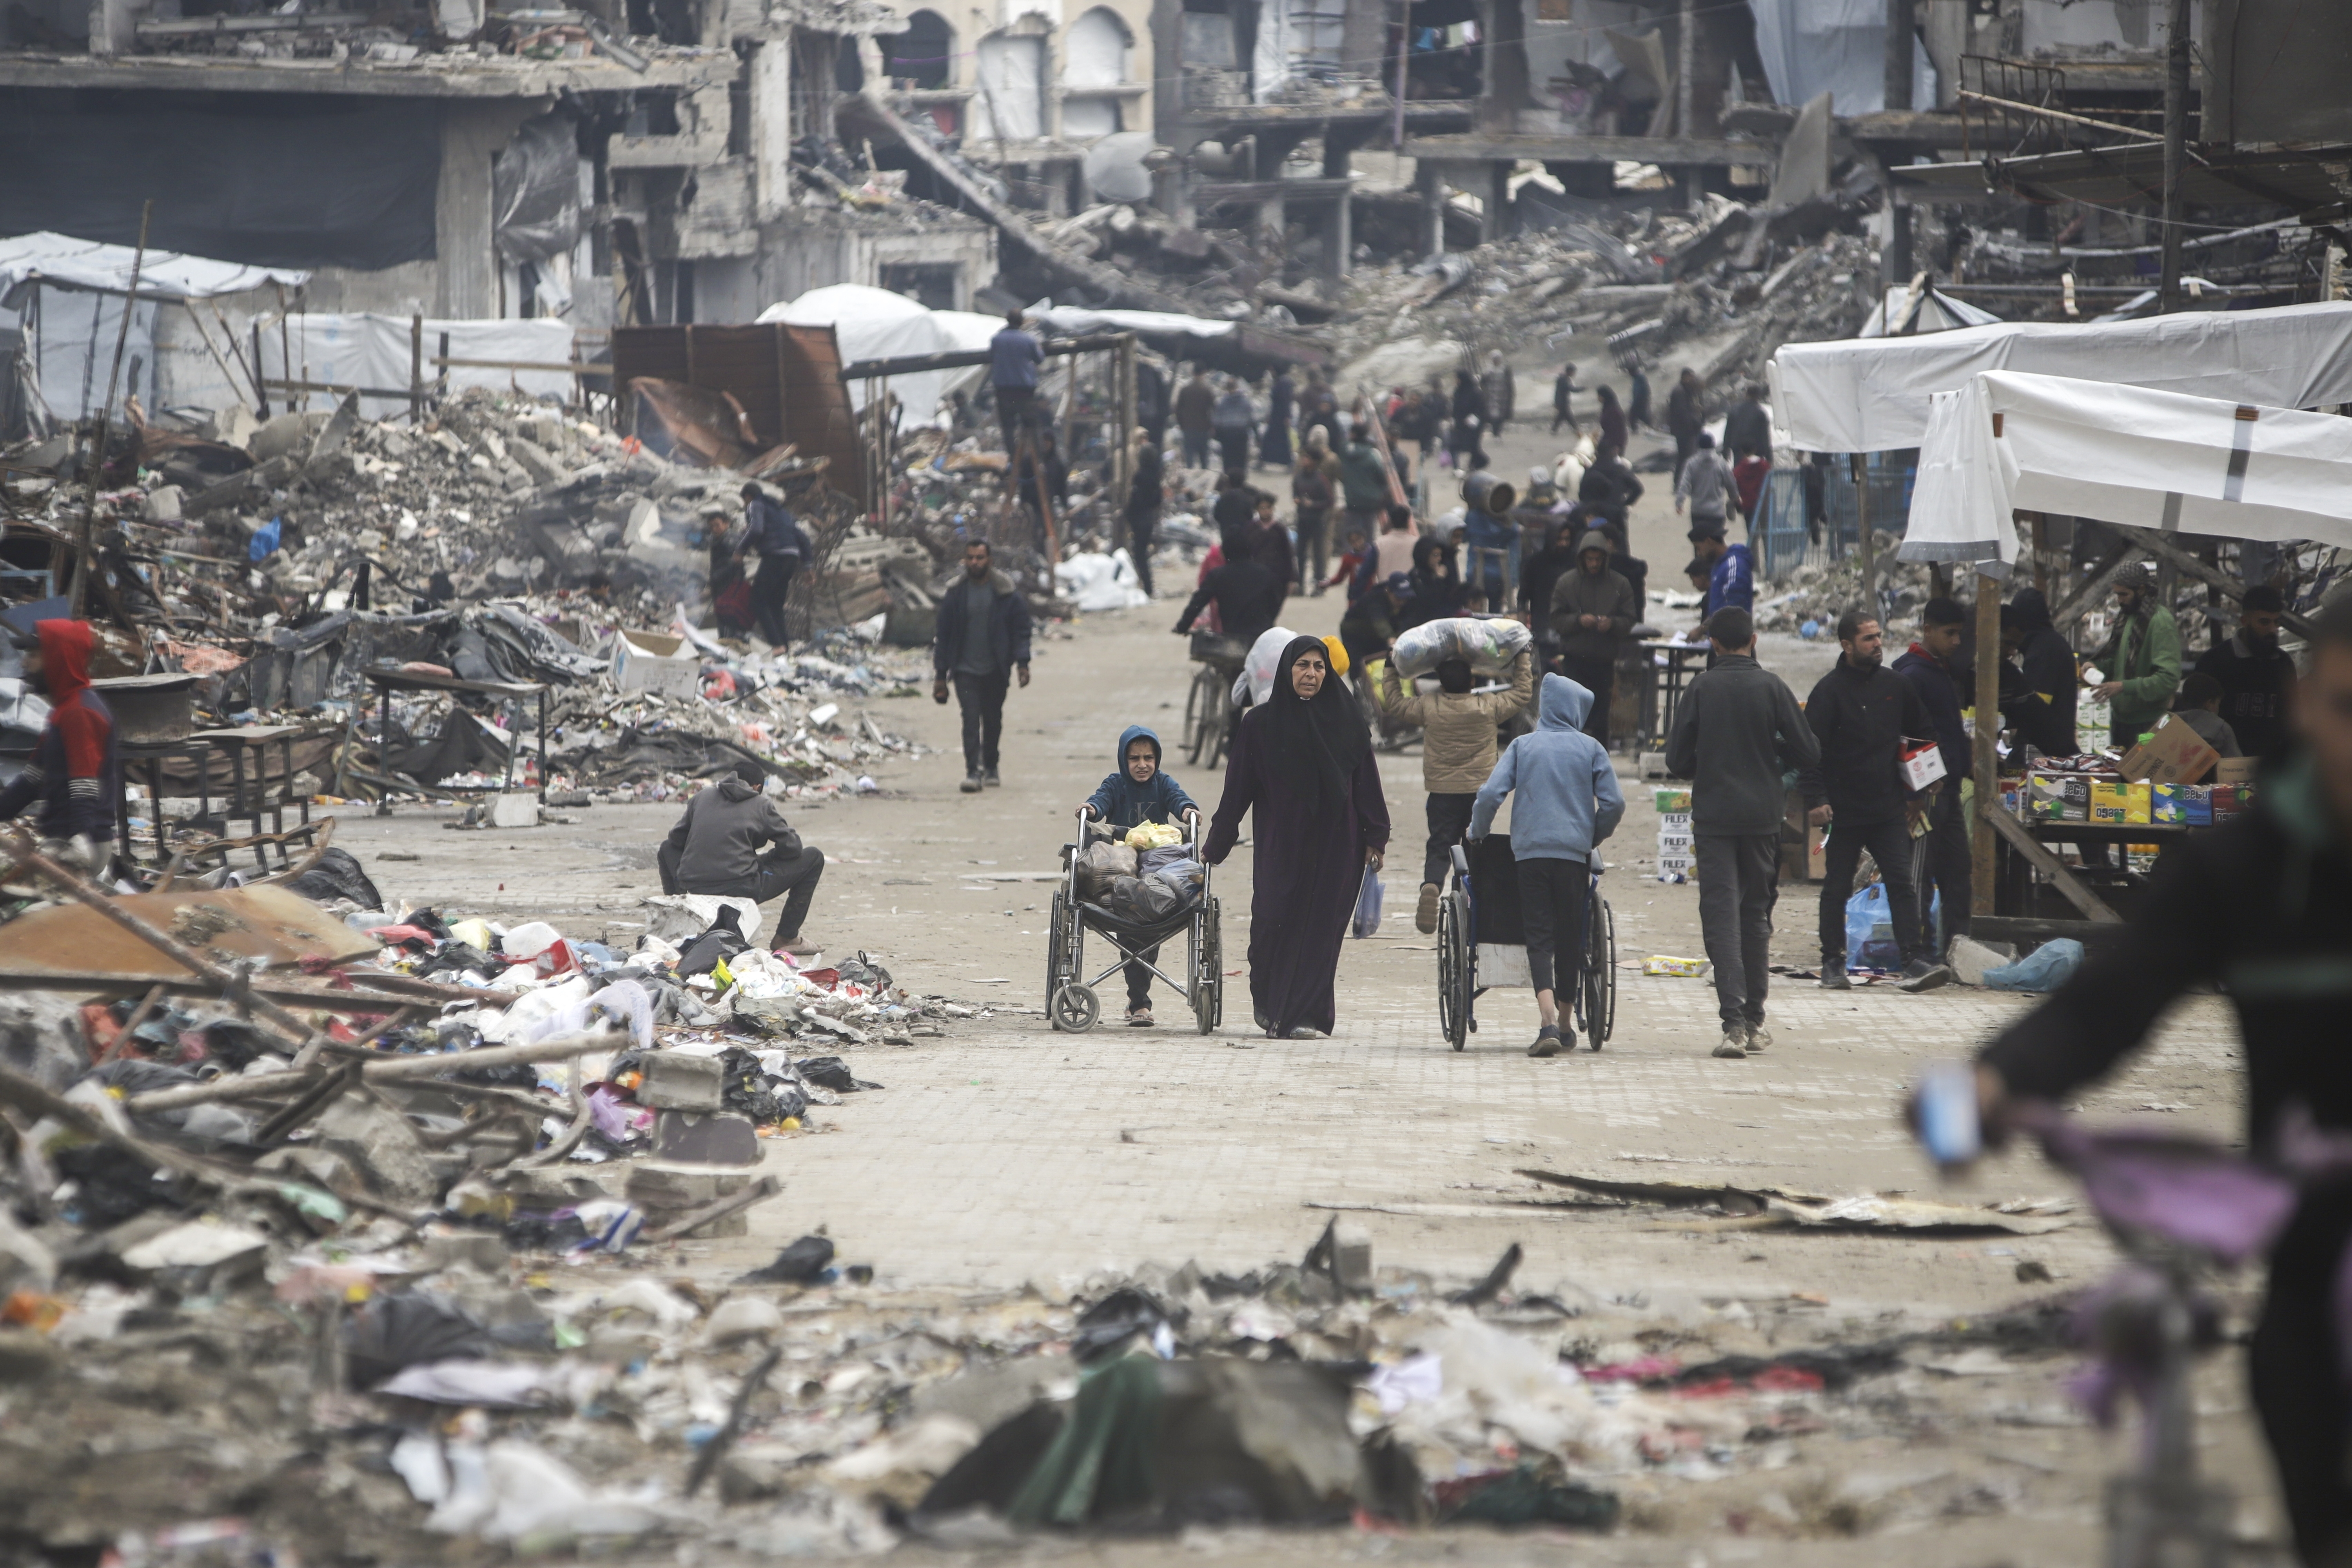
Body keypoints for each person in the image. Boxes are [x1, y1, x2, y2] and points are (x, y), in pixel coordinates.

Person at [1965, 595, 2352, 1568]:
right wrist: (1997, 1078)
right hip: (2310, 1280)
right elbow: (2110, 1000)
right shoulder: (2242, 869)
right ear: (2309, 705)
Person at [1204, 635, 1391, 1038]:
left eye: (1319, 667)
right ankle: (1269, 1002)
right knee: (1272, 921)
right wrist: (1215, 847)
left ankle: (1305, 1014)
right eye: (1303, 665)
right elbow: (1237, 790)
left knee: (1322, 930)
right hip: (1281, 844)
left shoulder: (1347, 722)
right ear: (1288, 671)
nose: (1311, 673)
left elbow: (1367, 784)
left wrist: (1376, 835)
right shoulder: (1259, 725)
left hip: (1338, 845)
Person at [1664, 608, 1820, 1058]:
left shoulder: (1701, 687)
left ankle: (1732, 1023)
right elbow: (1809, 751)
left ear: (1712, 643)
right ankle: (1754, 1020)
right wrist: (1771, 751)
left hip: (1715, 817)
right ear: (1754, 639)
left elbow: (1677, 760)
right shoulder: (1773, 687)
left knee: (1721, 916)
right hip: (1762, 818)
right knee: (1755, 914)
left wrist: (1710, 763)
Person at [1469, 673, 1626, 1056]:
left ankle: (1547, 1022)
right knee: (1570, 934)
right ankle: (1568, 1023)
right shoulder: (1591, 749)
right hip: (1573, 856)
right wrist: (1593, 836)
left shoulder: (1524, 746)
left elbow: (1491, 793)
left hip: (1530, 855)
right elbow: (1615, 804)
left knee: (1538, 934)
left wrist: (1478, 831)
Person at [1800, 608, 1945, 989]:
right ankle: (1833, 962)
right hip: (1843, 811)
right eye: (1868, 638)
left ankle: (1912, 959)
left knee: (1901, 882)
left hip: (1887, 809)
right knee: (1837, 885)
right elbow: (1809, 752)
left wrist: (1924, 783)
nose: (1878, 643)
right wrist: (1816, 799)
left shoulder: (1897, 686)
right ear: (1847, 645)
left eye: (1879, 636)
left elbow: (1923, 734)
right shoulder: (1828, 692)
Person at [1378, 648, 1534, 933]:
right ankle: (1476, 901)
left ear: (1440, 682)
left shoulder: (1429, 706)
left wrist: (1390, 669)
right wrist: (1523, 659)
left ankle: (1431, 884)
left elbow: (1395, 703)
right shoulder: (1489, 706)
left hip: (1442, 792)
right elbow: (1523, 693)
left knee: (1440, 843)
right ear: (1472, 683)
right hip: (1480, 793)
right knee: (1475, 844)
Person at [1082, 726, 1201, 1027]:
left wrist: (1188, 811)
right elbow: (1100, 802)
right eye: (1134, 758)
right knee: (1132, 935)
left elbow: (1179, 799)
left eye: (1149, 758)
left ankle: (1139, 1001)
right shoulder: (1116, 784)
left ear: (1157, 759)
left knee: (1149, 935)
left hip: (1154, 875)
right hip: (1119, 873)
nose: (1142, 764)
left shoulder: (1163, 783)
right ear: (1125, 760)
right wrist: (1092, 809)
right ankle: (1140, 1003)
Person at [658, 759, 825, 954]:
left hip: (693, 886)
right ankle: (786, 937)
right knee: (813, 857)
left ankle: (677, 911)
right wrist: (768, 855)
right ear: (757, 787)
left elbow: (675, 841)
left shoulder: (701, 797)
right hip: (740, 886)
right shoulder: (760, 804)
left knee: (665, 848)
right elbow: (793, 848)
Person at [0, 619, 118, 869]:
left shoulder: (80, 712)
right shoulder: (64, 710)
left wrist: (79, 838)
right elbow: (32, 780)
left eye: (33, 655)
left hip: (81, 844)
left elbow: (85, 785)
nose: (24, 663)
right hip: (62, 837)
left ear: (58, 658)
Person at [1893, 596, 1973, 961]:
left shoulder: (1939, 670)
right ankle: (1918, 952)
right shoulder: (1911, 675)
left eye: (1960, 634)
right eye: (1950, 633)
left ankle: (1957, 950)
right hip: (1926, 794)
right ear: (1927, 630)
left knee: (1958, 872)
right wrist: (1914, 791)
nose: (1957, 641)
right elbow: (1904, 739)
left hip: (1950, 790)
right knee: (1920, 874)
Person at [931, 539, 1033, 793]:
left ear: (989, 560)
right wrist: (940, 676)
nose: (975, 562)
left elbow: (1021, 630)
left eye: (980, 558)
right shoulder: (956, 594)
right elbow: (943, 636)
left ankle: (991, 765)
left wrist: (1023, 663)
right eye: (970, 558)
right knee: (969, 719)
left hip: (996, 669)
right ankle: (972, 772)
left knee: (992, 719)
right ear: (965, 560)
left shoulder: (1005, 594)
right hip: (965, 670)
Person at [1549, 530, 1637, 745]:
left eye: (1598, 559)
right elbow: (1556, 619)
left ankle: (1598, 763)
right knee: (1572, 715)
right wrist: (1579, 621)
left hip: (1604, 661)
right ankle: (1569, 756)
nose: (1594, 564)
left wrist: (1612, 624)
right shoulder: (1567, 583)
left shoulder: (1620, 584)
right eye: (1590, 559)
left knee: (1601, 719)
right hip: (1575, 660)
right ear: (1582, 558)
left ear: (1606, 559)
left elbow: (1630, 620)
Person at [2194, 583, 2295, 760]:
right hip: (2224, 766)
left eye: (2276, 622)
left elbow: (2291, 722)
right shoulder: (2213, 663)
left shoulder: (2283, 665)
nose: (2272, 630)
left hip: (2270, 769)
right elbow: (2198, 725)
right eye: (2264, 622)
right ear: (2245, 621)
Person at [2091, 562, 2181, 747]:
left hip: (2148, 727)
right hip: (2121, 723)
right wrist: (2095, 667)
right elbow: (2119, 663)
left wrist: (2124, 687)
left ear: (2141, 590)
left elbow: (2168, 680)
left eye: (2124, 594)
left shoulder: (2160, 622)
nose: (2119, 600)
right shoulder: (2129, 617)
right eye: (2117, 594)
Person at [1998, 587, 2078, 757]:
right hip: (2054, 741)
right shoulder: (2048, 643)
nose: (2012, 651)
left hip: (2046, 747)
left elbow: (2035, 708)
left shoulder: (2043, 651)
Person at [1175, 527, 1283, 650]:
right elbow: (1276, 602)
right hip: (1262, 637)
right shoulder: (1266, 574)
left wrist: (1183, 626)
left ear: (1225, 552)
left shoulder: (1217, 575)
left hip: (1231, 637)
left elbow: (1198, 601)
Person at [742, 482, 810, 649]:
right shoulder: (782, 512)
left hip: (775, 556)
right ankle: (784, 646)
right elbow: (803, 538)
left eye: (745, 501)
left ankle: (777, 645)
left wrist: (741, 550)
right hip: (791, 558)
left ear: (748, 497)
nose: (745, 505)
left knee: (758, 601)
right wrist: (809, 565)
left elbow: (756, 529)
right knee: (775, 604)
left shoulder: (755, 505)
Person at [1519, 518, 1584, 664]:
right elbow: (1523, 597)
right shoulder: (1535, 563)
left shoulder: (1577, 564)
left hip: (1570, 630)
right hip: (1542, 628)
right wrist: (1523, 630)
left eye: (1567, 539)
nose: (1563, 544)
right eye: (1559, 539)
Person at [989, 309, 1044, 453]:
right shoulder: (1028, 340)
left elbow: (992, 357)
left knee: (1008, 428)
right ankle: (1038, 457)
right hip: (1024, 390)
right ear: (1021, 322)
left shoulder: (997, 340)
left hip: (1003, 390)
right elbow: (1039, 359)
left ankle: (1012, 457)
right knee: (1031, 426)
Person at [1292, 426, 1336, 594]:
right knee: (1301, 554)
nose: (1304, 461)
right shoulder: (1299, 477)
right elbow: (1295, 490)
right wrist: (1297, 500)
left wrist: (1313, 505)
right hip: (1302, 519)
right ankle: (1300, 585)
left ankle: (1319, 585)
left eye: (1307, 458)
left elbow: (1329, 501)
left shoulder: (1321, 480)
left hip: (1317, 520)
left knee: (1318, 555)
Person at [1013, 427, 1069, 551]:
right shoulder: (1030, 460)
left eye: (1048, 441)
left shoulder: (1056, 462)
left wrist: (1065, 505)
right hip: (1032, 502)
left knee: (1047, 531)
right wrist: (1023, 500)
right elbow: (1023, 481)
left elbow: (1061, 485)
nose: (1046, 444)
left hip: (1048, 503)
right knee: (1031, 529)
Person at [702, 505, 754, 636]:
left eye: (717, 525)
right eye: (712, 527)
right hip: (720, 583)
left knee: (728, 615)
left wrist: (717, 577)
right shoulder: (718, 539)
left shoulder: (730, 541)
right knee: (722, 616)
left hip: (729, 584)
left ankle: (730, 643)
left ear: (726, 524)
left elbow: (735, 564)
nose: (715, 529)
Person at [1673, 432, 1739, 535]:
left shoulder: (1691, 463)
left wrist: (1679, 503)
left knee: (1700, 546)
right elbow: (1731, 483)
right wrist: (1735, 498)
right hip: (1717, 513)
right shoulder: (1721, 463)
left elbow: (1684, 484)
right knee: (1716, 545)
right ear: (1713, 445)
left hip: (1698, 512)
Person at [1337, 425, 1392, 544]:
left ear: (1353, 435)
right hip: (1371, 501)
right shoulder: (1373, 455)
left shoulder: (1344, 451)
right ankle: (1368, 557)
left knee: (1350, 534)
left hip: (1352, 500)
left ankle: (1351, 558)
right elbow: (1382, 477)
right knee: (1369, 534)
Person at [1688, 530, 1753, 629]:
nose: (1699, 553)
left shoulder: (1734, 565)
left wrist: (1703, 628)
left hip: (1732, 636)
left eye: (1699, 548)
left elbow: (1733, 606)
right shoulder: (1719, 566)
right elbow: (1718, 606)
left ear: (1709, 541)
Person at [1125, 428, 1163, 599]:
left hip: (1140, 520)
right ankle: (1147, 586)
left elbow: (1136, 500)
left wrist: (1129, 514)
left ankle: (1147, 587)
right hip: (1148, 519)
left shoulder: (1140, 476)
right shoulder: (1155, 476)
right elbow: (1157, 500)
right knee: (1142, 555)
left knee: (1139, 554)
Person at [1401, 535, 1467, 630]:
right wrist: (1438, 581)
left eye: (1440, 555)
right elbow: (1427, 600)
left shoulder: (1443, 573)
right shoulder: (1416, 577)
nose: (1439, 559)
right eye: (1435, 555)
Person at [2171, 671, 2243, 757]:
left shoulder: (2170, 723)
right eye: (2218, 703)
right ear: (2209, 704)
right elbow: (2236, 763)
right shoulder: (2222, 729)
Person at [1213, 378, 1256, 477]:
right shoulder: (1245, 402)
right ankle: (1241, 482)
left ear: (1227, 389)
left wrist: (1218, 436)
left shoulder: (1222, 403)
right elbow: (1252, 420)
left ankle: (1229, 481)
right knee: (1241, 461)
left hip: (1227, 436)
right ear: (1237, 387)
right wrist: (1256, 434)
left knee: (1228, 461)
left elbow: (1217, 422)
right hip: (1241, 435)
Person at [1174, 367, 1216, 470]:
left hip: (1188, 428)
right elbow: (1213, 410)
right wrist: (1212, 426)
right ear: (1204, 374)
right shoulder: (1207, 390)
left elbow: (1178, 410)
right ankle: (1205, 482)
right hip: (1203, 429)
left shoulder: (1185, 390)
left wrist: (1181, 425)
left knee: (1189, 459)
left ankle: (1189, 482)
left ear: (1193, 373)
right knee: (1204, 460)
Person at [1666, 367, 1704, 478]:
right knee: (1685, 457)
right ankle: (1680, 482)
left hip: (1688, 430)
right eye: (1691, 377)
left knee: (1686, 457)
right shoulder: (1680, 392)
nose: (1693, 380)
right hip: (1684, 431)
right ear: (1685, 377)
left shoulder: (1688, 391)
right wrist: (1694, 424)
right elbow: (1682, 413)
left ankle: (1683, 482)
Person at [1723, 382, 1771, 461]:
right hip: (1755, 451)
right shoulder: (1761, 413)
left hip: (1738, 449)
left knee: (1739, 472)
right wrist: (1769, 459)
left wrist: (1725, 451)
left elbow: (1728, 432)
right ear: (1758, 396)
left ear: (1746, 395)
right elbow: (1765, 437)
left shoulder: (1734, 410)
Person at [1448, 370, 1488, 466]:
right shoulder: (1458, 391)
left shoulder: (1475, 392)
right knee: (1455, 445)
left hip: (1474, 425)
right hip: (1460, 424)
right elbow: (1455, 407)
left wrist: (1473, 418)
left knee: (1473, 446)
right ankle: (1457, 466)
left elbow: (1481, 409)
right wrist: (1453, 419)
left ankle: (1477, 463)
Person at [1261, 368, 1295, 468]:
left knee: (1278, 439)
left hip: (1280, 417)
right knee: (1277, 439)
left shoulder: (1284, 383)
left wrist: (1287, 416)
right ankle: (1264, 460)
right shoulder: (1281, 382)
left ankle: (1287, 462)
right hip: (1276, 416)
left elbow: (1286, 401)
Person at [1481, 350, 1515, 436]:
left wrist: (1511, 395)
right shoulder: (1488, 371)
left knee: (1502, 416)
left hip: (1503, 397)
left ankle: (1498, 431)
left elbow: (1510, 384)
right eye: (1495, 359)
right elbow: (1483, 384)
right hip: (1491, 397)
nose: (1496, 361)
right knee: (1493, 416)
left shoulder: (1505, 370)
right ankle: (1495, 432)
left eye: (1498, 359)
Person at [1594, 385, 1628, 463]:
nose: (1598, 398)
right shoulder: (1607, 408)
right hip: (1608, 442)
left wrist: (1617, 447)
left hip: (1614, 444)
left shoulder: (1614, 411)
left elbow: (1618, 431)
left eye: (1599, 396)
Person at [1551, 363, 1579, 435]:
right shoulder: (1564, 379)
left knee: (1562, 416)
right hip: (1562, 402)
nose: (1574, 374)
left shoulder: (1564, 378)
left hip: (1561, 402)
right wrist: (1581, 389)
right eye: (1573, 372)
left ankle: (1554, 430)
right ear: (1570, 371)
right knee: (1568, 416)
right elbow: (1570, 389)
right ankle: (1577, 429)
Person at [1626, 360, 1653, 432]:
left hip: (1641, 401)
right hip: (1639, 400)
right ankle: (1639, 428)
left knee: (1637, 415)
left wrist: (1642, 399)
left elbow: (1643, 390)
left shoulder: (1640, 378)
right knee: (1638, 416)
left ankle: (1648, 428)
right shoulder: (1636, 378)